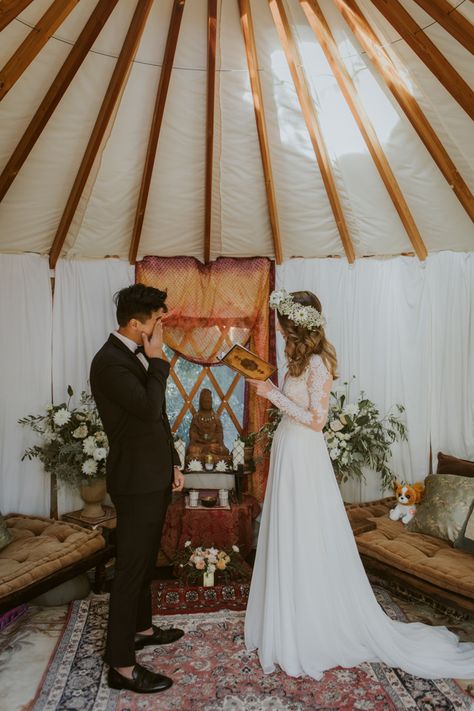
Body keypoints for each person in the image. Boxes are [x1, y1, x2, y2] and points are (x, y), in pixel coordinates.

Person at [245, 289, 474, 681]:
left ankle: (311, 623)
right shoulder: (295, 361)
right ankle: (285, 617)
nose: (280, 332)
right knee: (287, 532)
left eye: (284, 326)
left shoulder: (318, 364)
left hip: (304, 455)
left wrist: (273, 395)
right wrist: (273, 391)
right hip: (288, 449)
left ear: (298, 326)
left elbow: (316, 420)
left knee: (306, 534)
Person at [90, 283, 185, 694]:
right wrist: (159, 360)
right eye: (157, 321)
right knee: (130, 569)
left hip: (153, 473)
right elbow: (149, 407)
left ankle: (142, 629)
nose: (161, 328)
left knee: (144, 560)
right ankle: (122, 667)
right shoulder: (110, 363)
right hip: (134, 480)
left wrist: (174, 463)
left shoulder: (133, 356)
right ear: (135, 324)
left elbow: (155, 419)